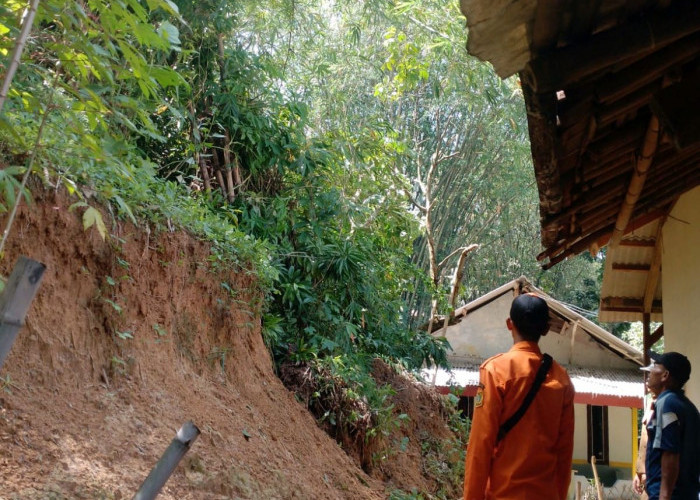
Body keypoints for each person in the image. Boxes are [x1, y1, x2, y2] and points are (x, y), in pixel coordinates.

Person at [463, 293, 575, 500]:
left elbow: (481, 444)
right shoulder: (562, 379)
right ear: (546, 329)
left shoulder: (496, 371)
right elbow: (564, 451)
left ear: (509, 324)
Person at [641, 351, 700, 500]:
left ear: (665, 375)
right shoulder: (687, 406)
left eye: (655, 366)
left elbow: (670, 452)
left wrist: (664, 496)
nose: (650, 371)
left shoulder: (667, 403)